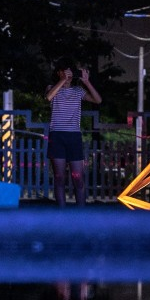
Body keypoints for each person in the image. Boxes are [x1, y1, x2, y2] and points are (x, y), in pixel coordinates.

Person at [45, 61, 101, 206]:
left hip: (74, 136)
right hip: (57, 135)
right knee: (59, 177)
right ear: (59, 73)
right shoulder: (52, 88)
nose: (68, 74)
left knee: (78, 178)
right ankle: (62, 214)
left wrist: (87, 82)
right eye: (65, 71)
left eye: (70, 72)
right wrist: (62, 80)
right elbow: (48, 97)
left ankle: (81, 214)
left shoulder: (78, 91)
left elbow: (97, 100)